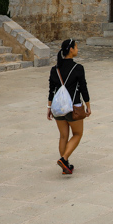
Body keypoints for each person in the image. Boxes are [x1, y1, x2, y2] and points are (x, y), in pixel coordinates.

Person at [46, 38, 90, 175]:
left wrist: (49, 108)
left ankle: (66, 165)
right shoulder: (78, 68)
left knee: (63, 136)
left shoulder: (55, 69)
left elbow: (51, 90)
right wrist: (88, 106)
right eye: (76, 47)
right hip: (73, 107)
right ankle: (64, 160)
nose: (77, 49)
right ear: (71, 49)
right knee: (77, 134)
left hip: (58, 108)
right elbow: (83, 88)